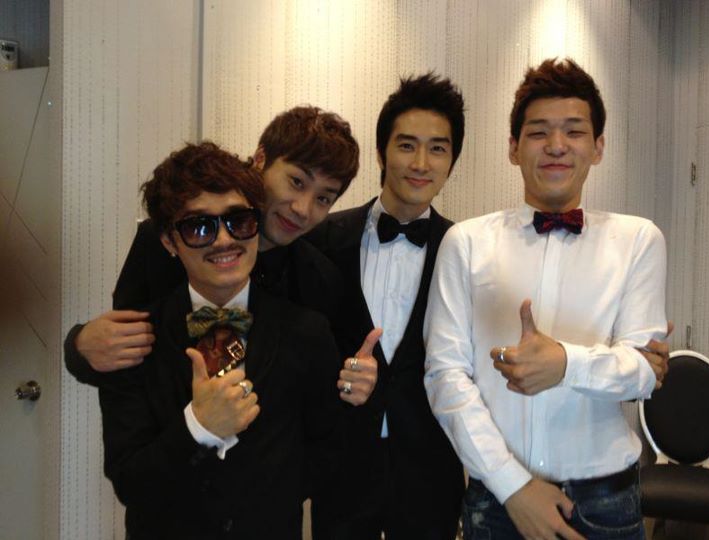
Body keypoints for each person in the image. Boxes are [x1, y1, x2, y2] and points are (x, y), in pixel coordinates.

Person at [424, 58, 669, 540]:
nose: (556, 145)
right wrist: (513, 486)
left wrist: (565, 364)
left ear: (598, 147)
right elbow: (444, 375)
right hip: (496, 499)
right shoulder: (466, 243)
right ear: (513, 148)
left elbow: (643, 376)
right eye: (538, 132)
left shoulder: (639, 240)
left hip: (607, 501)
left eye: (574, 131)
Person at [99, 142, 342, 538]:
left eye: (239, 221)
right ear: (168, 242)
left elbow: (328, 449)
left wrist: (269, 501)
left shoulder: (308, 332)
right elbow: (130, 481)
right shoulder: (133, 341)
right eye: (199, 227)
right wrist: (199, 427)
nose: (224, 240)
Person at [65, 106, 378, 406]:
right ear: (260, 160)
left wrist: (358, 382)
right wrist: (79, 347)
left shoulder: (321, 278)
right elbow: (119, 351)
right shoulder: (169, 240)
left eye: (323, 198)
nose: (302, 209)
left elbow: (337, 387)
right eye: (296, 182)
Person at [307, 73, 465, 539]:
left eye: (438, 149)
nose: (421, 163)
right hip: (342, 465)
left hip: (431, 469)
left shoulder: (466, 251)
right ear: (381, 152)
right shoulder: (321, 240)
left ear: (452, 161)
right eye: (406, 145)